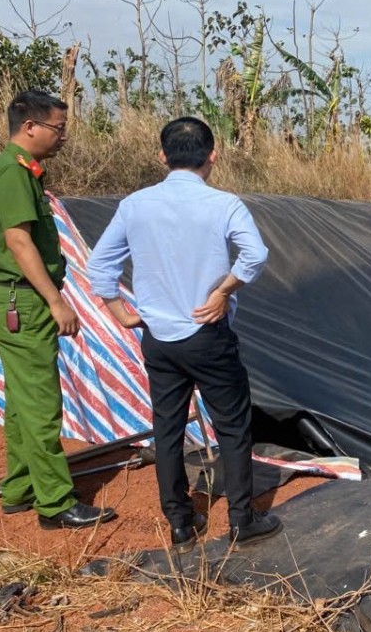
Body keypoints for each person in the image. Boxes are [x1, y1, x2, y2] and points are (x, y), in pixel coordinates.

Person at [87, 116, 280, 552]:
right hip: (208, 332)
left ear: (162, 156)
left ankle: (179, 521)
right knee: (231, 426)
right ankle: (242, 520)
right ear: (213, 155)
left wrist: (120, 311)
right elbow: (255, 254)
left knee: (167, 428)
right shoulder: (224, 204)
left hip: (159, 338)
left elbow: (100, 266)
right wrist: (223, 291)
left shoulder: (135, 205)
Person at [0, 90, 117, 529]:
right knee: (40, 403)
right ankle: (55, 503)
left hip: (17, 299)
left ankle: (20, 488)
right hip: (26, 299)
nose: (63, 137)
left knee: (22, 401)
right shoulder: (12, 173)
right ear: (29, 126)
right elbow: (19, 242)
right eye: (58, 128)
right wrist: (56, 301)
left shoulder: (19, 172)